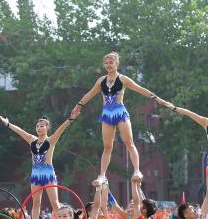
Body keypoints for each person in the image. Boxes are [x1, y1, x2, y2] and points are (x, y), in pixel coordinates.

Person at [71, 51, 167, 184]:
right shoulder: (101, 81)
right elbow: (89, 94)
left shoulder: (123, 79)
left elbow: (141, 89)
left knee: (129, 142)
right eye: (106, 63)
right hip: (107, 114)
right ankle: (102, 175)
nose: (108, 65)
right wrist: (78, 105)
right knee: (107, 146)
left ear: (117, 63)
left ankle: (137, 170)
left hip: (120, 112)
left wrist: (157, 99)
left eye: (111, 62)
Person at [0, 115, 75, 219]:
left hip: (47, 173)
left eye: (42, 126)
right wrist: (8, 124)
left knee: (55, 202)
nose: (39, 128)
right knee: (36, 202)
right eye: (37, 126)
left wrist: (70, 119)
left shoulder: (51, 140)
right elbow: (19, 131)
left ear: (47, 127)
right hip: (35, 174)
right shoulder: (32, 139)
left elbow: (61, 129)